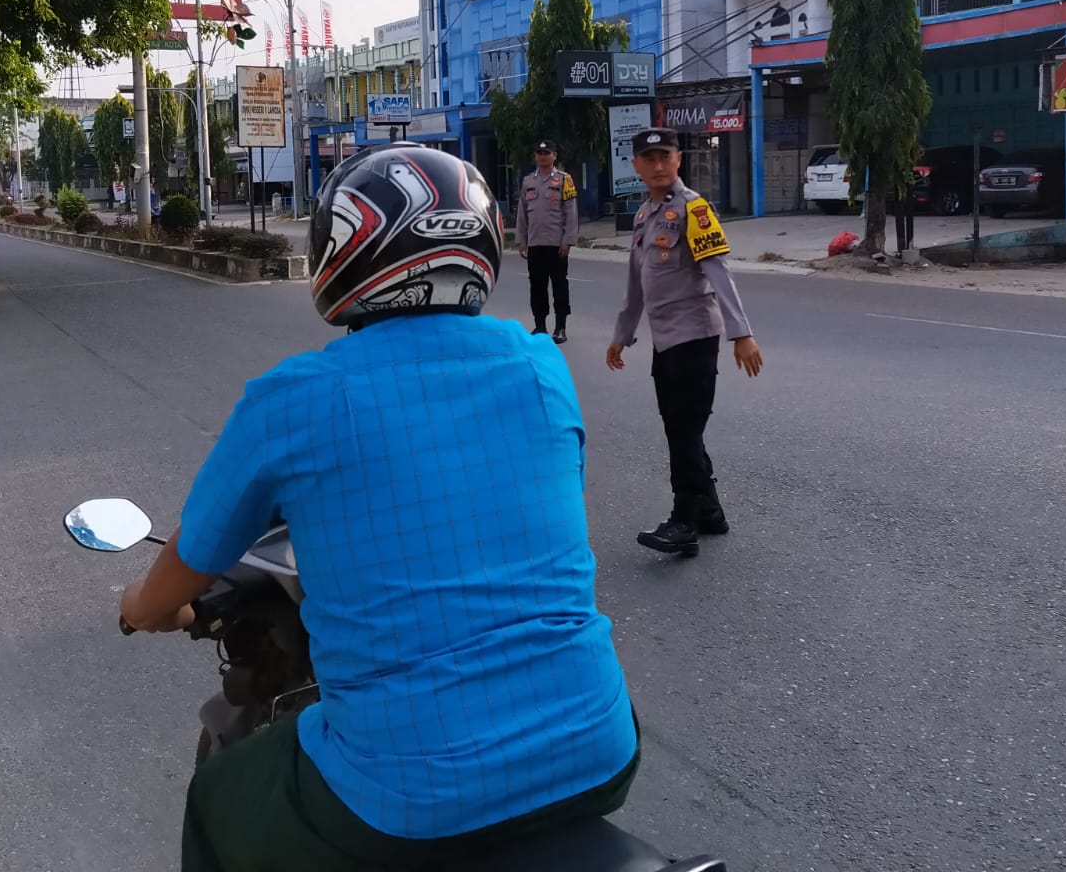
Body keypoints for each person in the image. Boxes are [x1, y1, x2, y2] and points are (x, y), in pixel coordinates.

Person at [115, 143, 639, 872]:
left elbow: (188, 560)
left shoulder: (294, 397)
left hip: (406, 792)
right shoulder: (540, 365)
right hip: (600, 749)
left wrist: (143, 607)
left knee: (215, 799)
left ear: (344, 251)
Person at [606, 127, 763, 558]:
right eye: (649, 158)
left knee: (683, 430)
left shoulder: (694, 210)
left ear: (679, 160)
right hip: (665, 341)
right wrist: (622, 334)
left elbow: (718, 272)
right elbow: (637, 285)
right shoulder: (643, 217)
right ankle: (709, 512)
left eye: (665, 156)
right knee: (681, 427)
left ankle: (684, 522)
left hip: (696, 336)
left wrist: (741, 333)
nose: (658, 165)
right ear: (636, 165)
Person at [515, 139, 578, 344]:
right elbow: (522, 214)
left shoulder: (564, 180)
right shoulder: (528, 181)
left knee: (560, 285)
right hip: (535, 244)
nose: (543, 156)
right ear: (535, 156)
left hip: (556, 244)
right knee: (537, 286)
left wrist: (568, 240)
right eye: (540, 153)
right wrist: (521, 240)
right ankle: (540, 326)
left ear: (554, 156)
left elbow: (570, 212)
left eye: (547, 153)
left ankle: (560, 327)